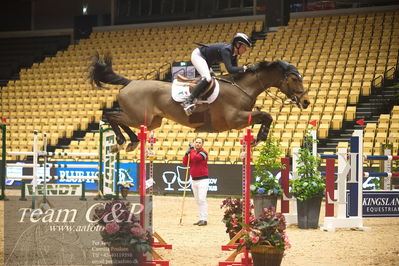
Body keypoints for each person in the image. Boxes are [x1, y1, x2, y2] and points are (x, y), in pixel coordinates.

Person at [181, 33, 253, 115]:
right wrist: (244, 68)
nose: (246, 50)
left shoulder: (234, 55)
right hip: (199, 56)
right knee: (207, 78)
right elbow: (230, 69)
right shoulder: (227, 50)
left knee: (213, 79)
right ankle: (188, 100)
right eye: (244, 47)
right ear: (237, 45)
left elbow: (234, 73)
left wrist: (247, 72)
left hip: (207, 60)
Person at [182, 137, 209, 226]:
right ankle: (200, 218)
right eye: (196, 142)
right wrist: (186, 154)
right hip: (194, 179)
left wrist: (191, 150)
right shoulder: (192, 153)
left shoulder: (204, 153)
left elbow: (196, 159)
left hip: (203, 180)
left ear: (202, 144)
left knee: (202, 199)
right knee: (198, 200)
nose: (198, 144)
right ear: (194, 143)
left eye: (199, 142)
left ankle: (204, 219)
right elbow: (185, 163)